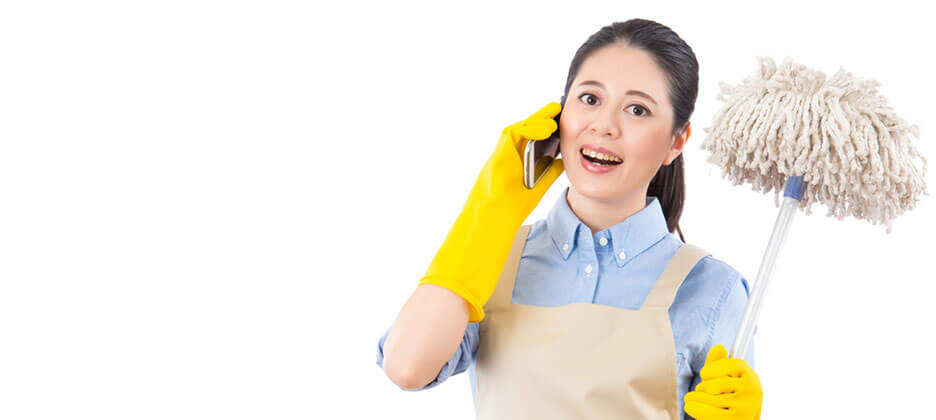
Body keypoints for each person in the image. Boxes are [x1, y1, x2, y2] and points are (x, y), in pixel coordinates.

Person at [376, 19, 763, 420]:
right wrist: (491, 210)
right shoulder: (494, 257)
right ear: (560, 114)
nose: (604, 126)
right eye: (590, 99)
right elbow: (407, 367)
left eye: (637, 109)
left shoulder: (712, 290)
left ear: (676, 141)